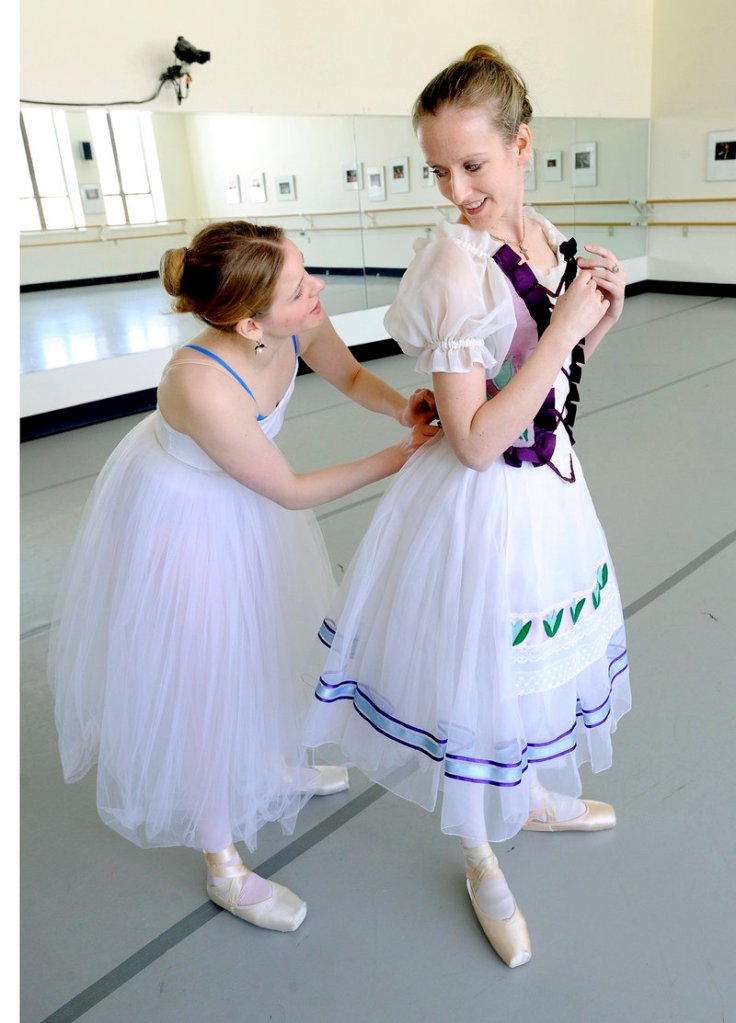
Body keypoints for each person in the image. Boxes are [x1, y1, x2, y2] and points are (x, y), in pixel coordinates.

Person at [304, 45, 631, 967]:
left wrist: (589, 331)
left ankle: (525, 796)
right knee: (477, 674)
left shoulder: (545, 237)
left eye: (474, 165)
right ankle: (480, 850)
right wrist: (564, 326)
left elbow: (548, 389)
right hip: (477, 509)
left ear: (523, 147)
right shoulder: (453, 267)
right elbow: (478, 439)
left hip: (551, 495)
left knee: (532, 662)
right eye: (439, 169)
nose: (456, 190)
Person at [50, 220, 438, 934]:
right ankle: (222, 860)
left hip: (247, 498)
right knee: (208, 673)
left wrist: (399, 406)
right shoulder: (197, 383)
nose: (316, 288)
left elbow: (347, 372)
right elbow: (288, 488)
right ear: (250, 320)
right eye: (300, 287)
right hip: (185, 518)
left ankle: (268, 764)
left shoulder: (294, 321)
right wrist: (402, 456)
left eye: (306, 271)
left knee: (269, 636)